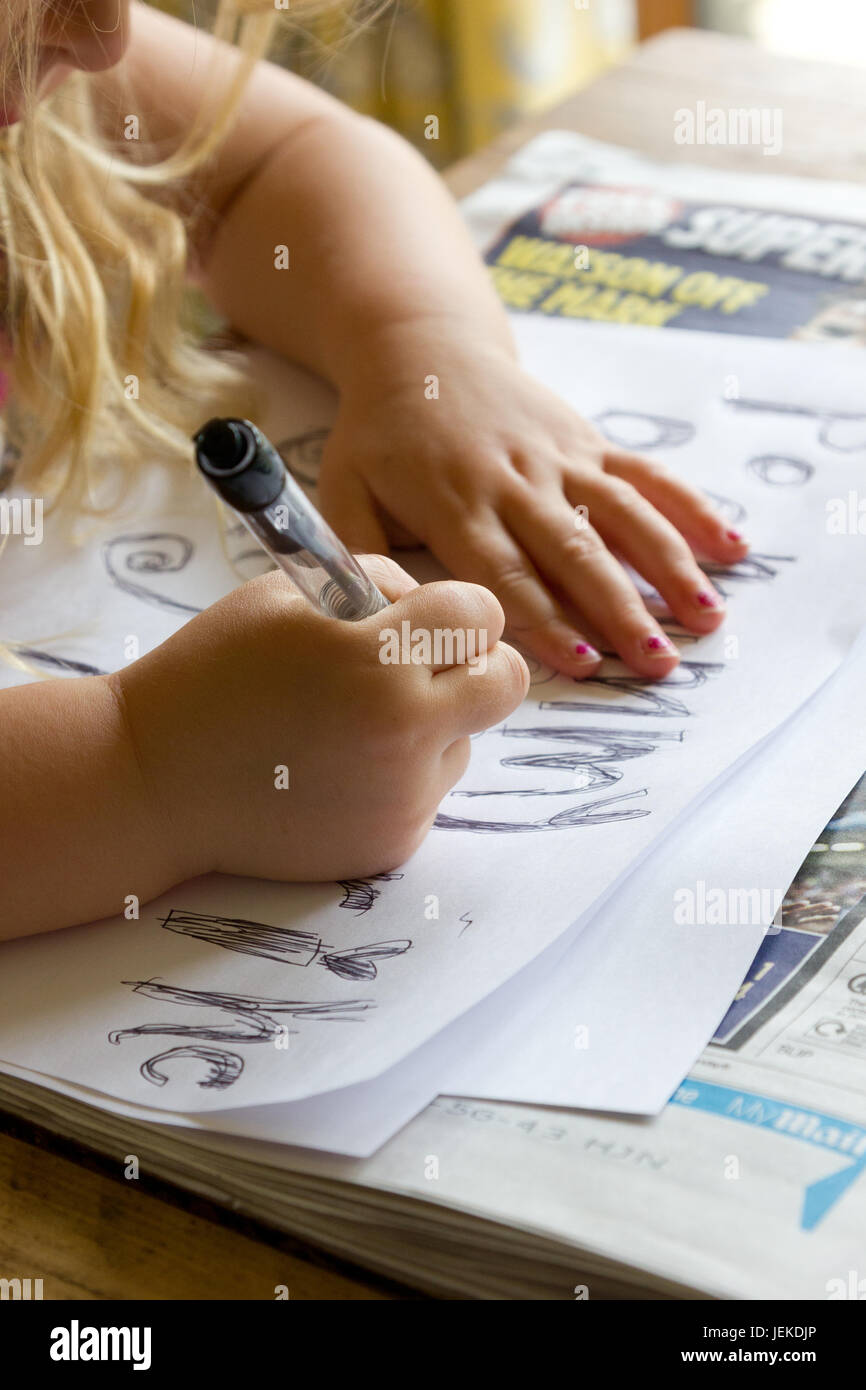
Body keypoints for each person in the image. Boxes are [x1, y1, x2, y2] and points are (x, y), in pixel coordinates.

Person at [0, 1, 742, 939]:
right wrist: (148, 771)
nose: (106, 40)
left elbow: (286, 158)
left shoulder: (50, 58)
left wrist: (420, 350)